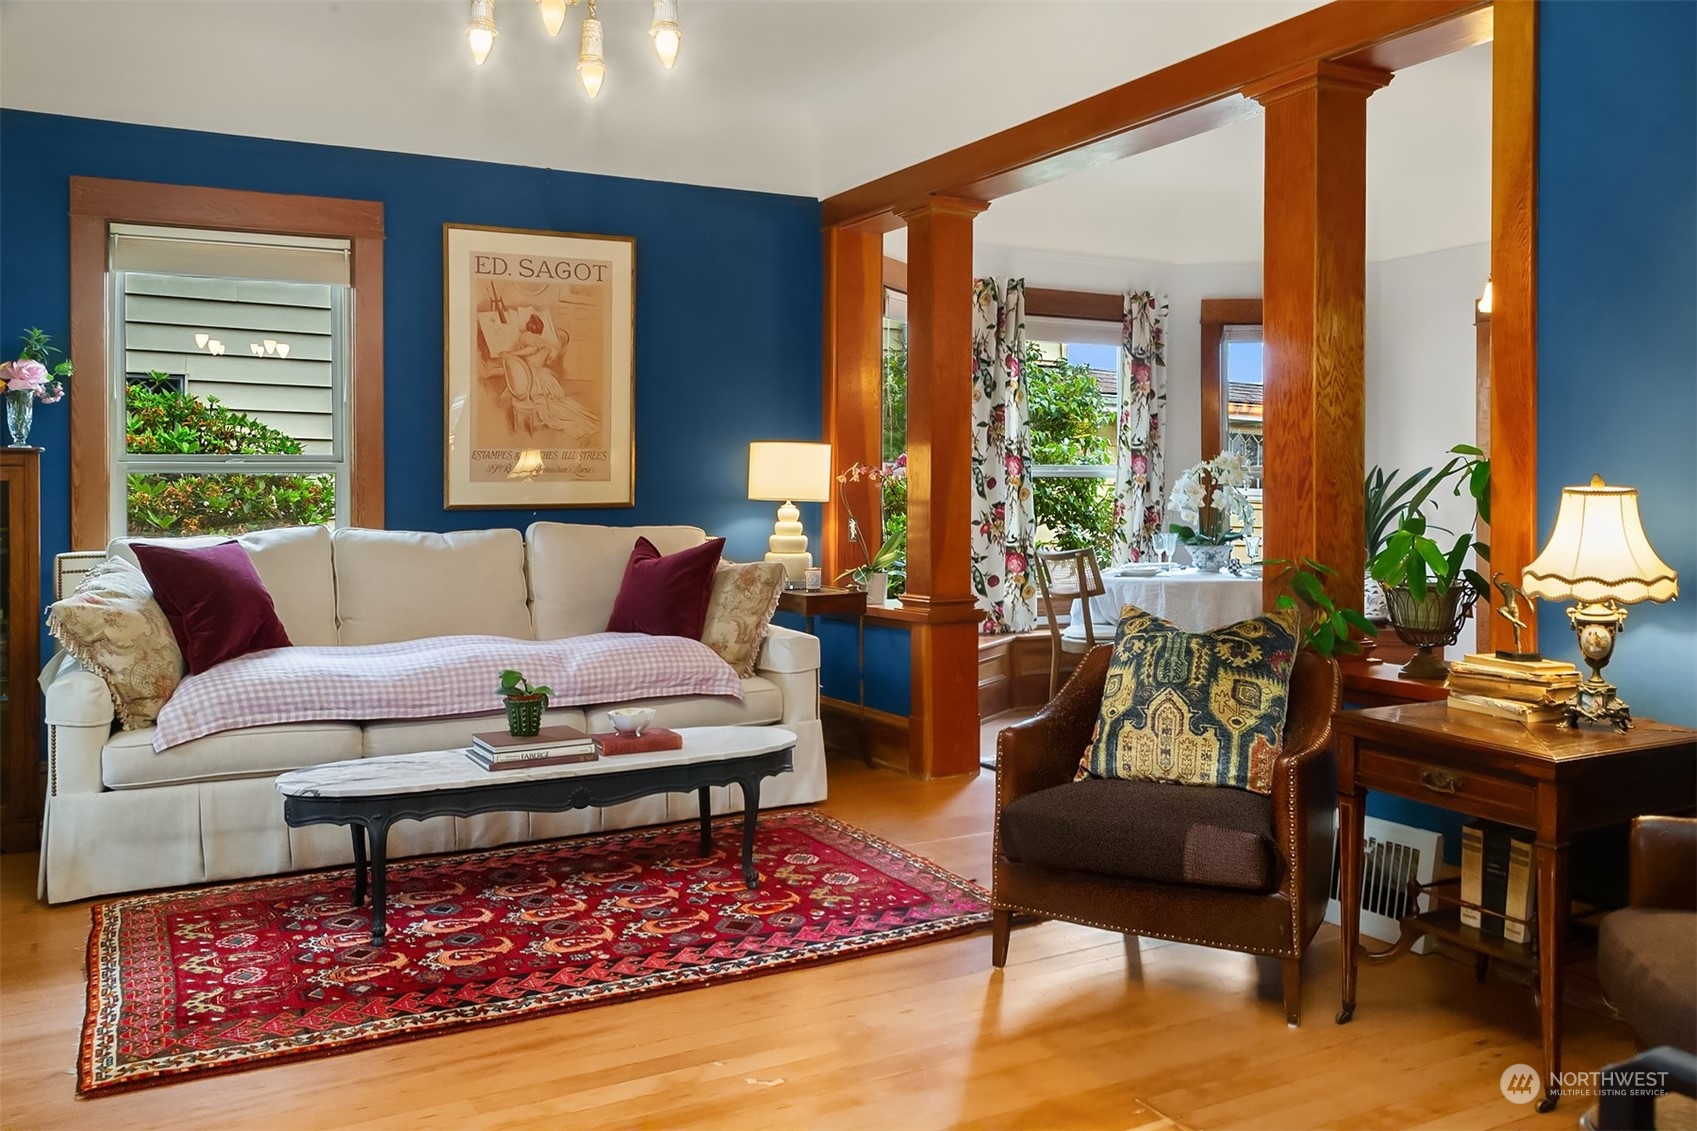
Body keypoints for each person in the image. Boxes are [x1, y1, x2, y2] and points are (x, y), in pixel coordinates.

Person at [506, 313, 600, 444]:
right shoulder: (544, 342)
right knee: (553, 402)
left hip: (531, 375)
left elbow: (531, 349)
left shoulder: (526, 336)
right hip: (539, 373)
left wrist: (512, 353)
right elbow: (546, 356)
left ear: (528, 327)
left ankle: (534, 410)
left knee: (548, 404)